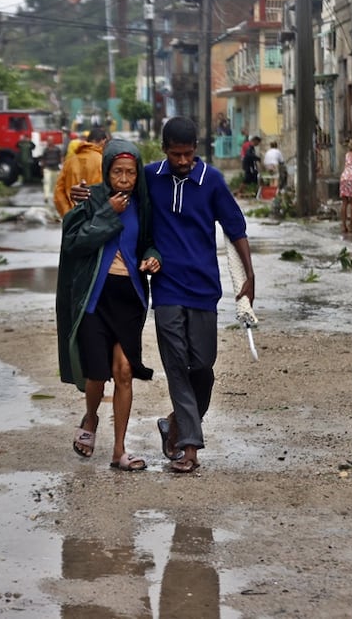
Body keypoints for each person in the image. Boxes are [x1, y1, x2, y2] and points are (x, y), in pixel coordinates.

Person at [71, 116, 255, 473]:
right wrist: (86, 195)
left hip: (204, 289)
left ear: (196, 151)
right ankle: (189, 447)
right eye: (175, 154)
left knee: (202, 366)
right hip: (167, 289)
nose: (182, 161)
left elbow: (236, 228)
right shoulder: (151, 178)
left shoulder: (212, 181)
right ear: (164, 150)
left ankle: (173, 424)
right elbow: (114, 189)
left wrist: (249, 275)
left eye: (188, 154)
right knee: (176, 368)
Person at [56, 139, 162, 472]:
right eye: (118, 171)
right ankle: (90, 416)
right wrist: (106, 213)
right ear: (107, 171)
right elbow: (75, 243)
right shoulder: (92, 200)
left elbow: (150, 242)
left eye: (131, 172)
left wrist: (152, 257)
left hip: (128, 297)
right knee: (97, 375)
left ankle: (119, 451)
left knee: (125, 372)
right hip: (95, 297)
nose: (125, 178)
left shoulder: (144, 205)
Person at [54, 127, 107, 217]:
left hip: (72, 216)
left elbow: (58, 192)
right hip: (95, 219)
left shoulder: (70, 162)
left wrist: (67, 214)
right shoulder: (102, 161)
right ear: (103, 141)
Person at [40, 139, 63, 207]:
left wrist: (62, 165)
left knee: (55, 184)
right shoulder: (45, 150)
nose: (49, 142)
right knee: (47, 182)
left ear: (53, 142)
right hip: (48, 168)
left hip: (56, 168)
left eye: (50, 141)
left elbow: (61, 157)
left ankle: (54, 197)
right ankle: (46, 197)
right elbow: (43, 159)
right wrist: (42, 168)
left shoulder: (57, 149)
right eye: (48, 141)